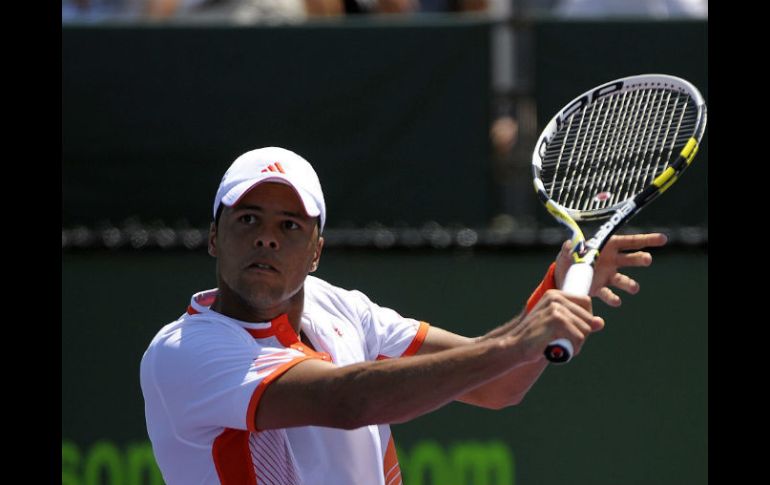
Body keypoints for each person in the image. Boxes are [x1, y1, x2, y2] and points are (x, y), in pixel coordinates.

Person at [140, 146, 667, 485]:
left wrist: (553, 291)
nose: (267, 237)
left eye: (291, 225)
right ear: (214, 237)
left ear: (316, 250)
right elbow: (348, 399)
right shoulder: (182, 353)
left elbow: (497, 387)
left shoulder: (340, 307)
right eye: (248, 218)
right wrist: (518, 340)